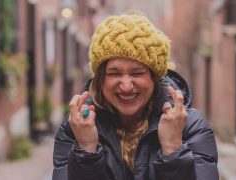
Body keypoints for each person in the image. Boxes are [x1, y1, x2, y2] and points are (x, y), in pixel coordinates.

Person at [52, 13, 219, 180]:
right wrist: (86, 150)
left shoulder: (191, 128)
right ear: (101, 79)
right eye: (114, 73)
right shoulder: (75, 129)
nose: (126, 87)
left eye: (137, 73)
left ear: (154, 79)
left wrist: (173, 150)